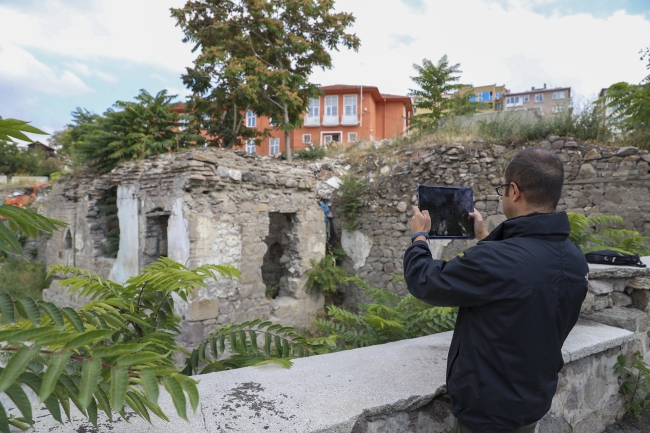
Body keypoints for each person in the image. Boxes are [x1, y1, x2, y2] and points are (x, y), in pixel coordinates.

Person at [403, 147, 588, 433]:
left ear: (514, 191)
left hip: (487, 411)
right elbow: (516, 285)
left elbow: (425, 281)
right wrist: (484, 238)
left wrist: (419, 237)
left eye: (502, 188)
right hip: (533, 401)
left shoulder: (496, 261)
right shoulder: (574, 257)